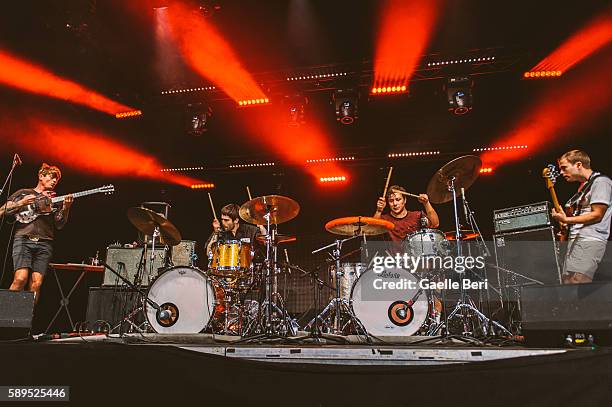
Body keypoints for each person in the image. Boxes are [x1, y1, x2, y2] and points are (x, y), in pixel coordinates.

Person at [3, 163, 73, 304]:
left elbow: (59, 224)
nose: (54, 181)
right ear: (41, 176)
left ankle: (26, 320)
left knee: (36, 283)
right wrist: (21, 203)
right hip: (23, 239)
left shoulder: (53, 200)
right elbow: (5, 210)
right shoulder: (23, 192)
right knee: (20, 279)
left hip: (45, 243)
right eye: (52, 177)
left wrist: (66, 208)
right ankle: (5, 317)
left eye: (56, 180)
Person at [551, 150, 612, 284]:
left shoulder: (601, 182)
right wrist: (566, 223)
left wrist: (566, 219)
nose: (561, 172)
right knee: (568, 282)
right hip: (576, 239)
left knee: (579, 282)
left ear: (578, 165)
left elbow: (597, 214)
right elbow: (582, 215)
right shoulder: (583, 187)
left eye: (564, 168)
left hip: (590, 239)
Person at [373, 185, 440, 241]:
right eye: (391, 201)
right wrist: (379, 210)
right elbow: (373, 229)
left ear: (405, 200)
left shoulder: (417, 215)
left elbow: (435, 224)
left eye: (398, 199)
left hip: (415, 256)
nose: (395, 203)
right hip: (392, 256)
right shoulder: (384, 219)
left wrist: (426, 203)